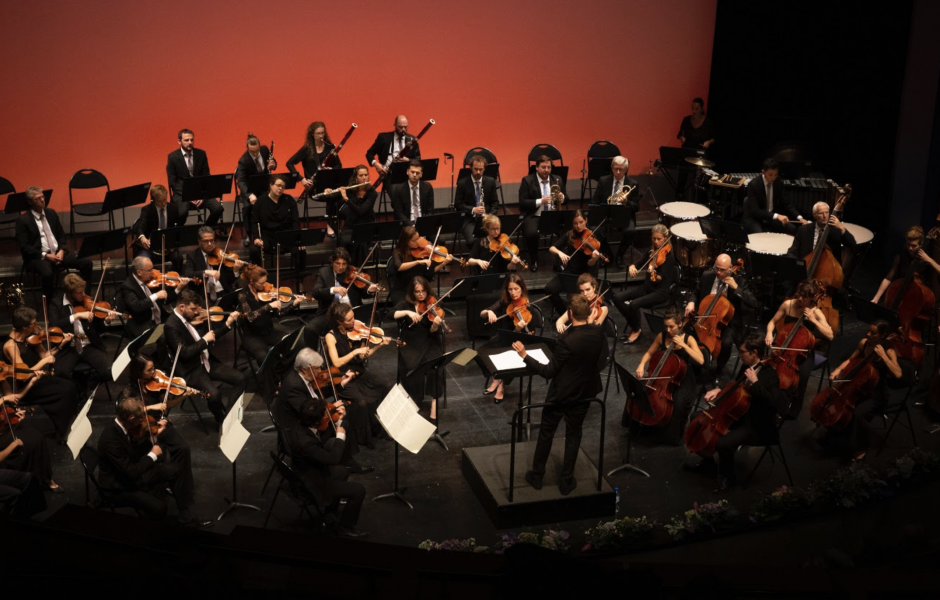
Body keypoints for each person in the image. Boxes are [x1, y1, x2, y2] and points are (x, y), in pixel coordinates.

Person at [512, 294, 607, 495]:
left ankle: (537, 476)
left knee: (547, 431)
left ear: (570, 313)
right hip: (585, 392)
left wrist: (524, 356)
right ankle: (566, 481)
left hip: (561, 394)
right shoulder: (599, 333)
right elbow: (601, 361)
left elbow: (548, 372)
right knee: (574, 434)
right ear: (589, 312)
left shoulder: (566, 340)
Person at [96, 396, 211, 527]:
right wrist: (152, 455)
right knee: (160, 508)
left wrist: (154, 435)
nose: (143, 421)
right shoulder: (110, 439)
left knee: (177, 469)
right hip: (119, 487)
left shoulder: (124, 427)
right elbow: (132, 472)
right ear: (132, 419)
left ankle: (185, 516)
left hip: (130, 472)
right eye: (141, 418)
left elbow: (132, 453)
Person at [707, 334, 790, 492]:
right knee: (703, 419)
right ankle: (708, 463)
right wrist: (719, 390)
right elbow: (736, 386)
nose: (739, 355)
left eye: (742, 352)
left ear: (754, 352)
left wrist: (755, 383)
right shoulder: (746, 367)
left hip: (758, 425)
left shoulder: (770, 375)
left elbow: (773, 404)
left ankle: (729, 479)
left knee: (722, 443)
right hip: (741, 415)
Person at [276, 349, 371, 474]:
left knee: (343, 421)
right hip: (298, 430)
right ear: (305, 369)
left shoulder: (302, 377)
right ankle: (344, 462)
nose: (320, 371)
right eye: (316, 368)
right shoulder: (294, 386)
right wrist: (330, 408)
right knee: (342, 424)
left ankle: (346, 459)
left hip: (307, 417)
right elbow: (308, 413)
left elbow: (316, 395)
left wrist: (341, 383)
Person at [825, 320, 906, 461]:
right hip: (860, 388)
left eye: (873, 333)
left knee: (858, 413)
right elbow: (850, 360)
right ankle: (839, 436)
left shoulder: (889, 350)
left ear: (882, 335)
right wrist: (837, 370)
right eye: (869, 331)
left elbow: (898, 374)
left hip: (877, 395)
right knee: (843, 405)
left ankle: (861, 447)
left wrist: (884, 357)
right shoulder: (864, 343)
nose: (868, 334)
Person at [288, 397, 368, 537]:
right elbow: (333, 458)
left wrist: (338, 420)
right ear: (316, 422)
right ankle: (346, 527)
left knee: (343, 470)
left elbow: (323, 435)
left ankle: (330, 514)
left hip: (311, 469)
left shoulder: (302, 424)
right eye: (325, 416)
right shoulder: (306, 443)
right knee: (359, 490)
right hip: (312, 484)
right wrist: (340, 437)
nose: (328, 416)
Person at [163, 289, 246, 423]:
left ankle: (230, 415)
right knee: (214, 395)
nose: (197, 312)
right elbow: (185, 353)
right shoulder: (171, 326)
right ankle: (221, 420)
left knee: (240, 378)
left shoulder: (189, 318)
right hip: (192, 370)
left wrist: (227, 324)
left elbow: (210, 336)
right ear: (182, 307)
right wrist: (204, 340)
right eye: (193, 309)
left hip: (206, 362)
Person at [126, 353, 195, 503]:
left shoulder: (154, 384)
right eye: (149, 370)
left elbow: (167, 405)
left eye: (153, 368)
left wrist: (183, 396)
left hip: (159, 422)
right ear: (139, 372)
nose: (154, 373)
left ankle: (182, 485)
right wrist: (152, 406)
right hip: (143, 428)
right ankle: (169, 482)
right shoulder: (130, 390)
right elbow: (128, 411)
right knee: (159, 450)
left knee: (183, 448)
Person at [3, 307, 79, 438]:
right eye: (33, 324)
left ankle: (65, 424)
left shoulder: (30, 337)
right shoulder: (11, 346)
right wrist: (44, 363)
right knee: (65, 391)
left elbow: (44, 355)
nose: (37, 326)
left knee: (70, 385)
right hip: (24, 385)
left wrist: (61, 345)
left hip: (37, 377)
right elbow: (23, 374)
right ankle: (62, 430)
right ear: (24, 327)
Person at [323, 302, 392, 446]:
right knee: (362, 402)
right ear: (339, 321)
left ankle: (381, 427)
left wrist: (379, 345)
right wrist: (355, 351)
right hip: (344, 377)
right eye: (349, 320)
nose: (353, 322)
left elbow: (363, 357)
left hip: (359, 372)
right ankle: (365, 437)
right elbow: (336, 362)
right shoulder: (331, 336)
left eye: (353, 317)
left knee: (386, 385)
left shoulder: (357, 331)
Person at [635, 307, 705, 445]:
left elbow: (701, 360)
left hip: (682, 377)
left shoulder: (688, 338)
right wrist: (641, 365)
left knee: (677, 404)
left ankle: (672, 437)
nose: (668, 330)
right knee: (640, 392)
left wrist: (683, 345)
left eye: (671, 327)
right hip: (662, 374)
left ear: (680, 324)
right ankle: (644, 426)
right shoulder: (661, 336)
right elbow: (649, 353)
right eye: (666, 326)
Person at [684, 254, 760, 379]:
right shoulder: (707, 276)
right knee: (690, 333)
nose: (718, 272)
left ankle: (719, 368)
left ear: (730, 268)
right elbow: (695, 293)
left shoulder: (739, 281)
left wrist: (736, 288)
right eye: (716, 268)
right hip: (705, 317)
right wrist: (691, 302)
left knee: (726, 342)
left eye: (722, 270)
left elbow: (754, 302)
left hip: (728, 322)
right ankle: (695, 364)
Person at [764, 279, 834, 413]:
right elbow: (772, 322)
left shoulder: (816, 312)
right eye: (799, 294)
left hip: (803, 352)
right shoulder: (788, 305)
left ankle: (793, 409)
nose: (800, 298)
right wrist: (768, 333)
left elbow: (830, 335)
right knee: (771, 368)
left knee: (802, 375)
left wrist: (813, 320)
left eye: (804, 297)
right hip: (785, 346)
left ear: (812, 298)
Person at [15, 186, 93, 300]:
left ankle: (84, 297)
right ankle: (50, 304)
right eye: (38, 199)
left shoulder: (51, 213)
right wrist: (45, 255)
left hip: (58, 253)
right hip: (38, 257)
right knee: (47, 273)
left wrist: (61, 250)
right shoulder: (23, 220)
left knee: (87, 263)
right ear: (30, 202)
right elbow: (24, 247)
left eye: (42, 197)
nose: (42, 200)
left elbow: (61, 235)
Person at [480, 274, 542, 404]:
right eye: (510, 289)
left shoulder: (528, 306)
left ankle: (501, 386)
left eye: (516, 289)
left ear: (522, 288)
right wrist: (489, 312)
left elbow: (529, 334)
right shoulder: (504, 301)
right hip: (504, 335)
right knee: (480, 352)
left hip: (519, 339)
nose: (513, 293)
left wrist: (518, 330)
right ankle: (496, 378)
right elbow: (482, 313)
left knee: (511, 355)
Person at [612, 224, 677, 345]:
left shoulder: (669, 256)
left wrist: (653, 273)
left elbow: (659, 279)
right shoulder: (652, 250)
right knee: (617, 298)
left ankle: (636, 329)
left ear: (665, 238)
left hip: (660, 292)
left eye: (659, 239)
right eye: (654, 239)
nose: (656, 242)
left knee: (634, 304)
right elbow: (638, 263)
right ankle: (634, 324)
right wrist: (632, 267)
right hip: (646, 288)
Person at [393, 277, 446, 425]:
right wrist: (407, 313)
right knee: (411, 368)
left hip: (429, 340)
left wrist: (435, 326)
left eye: (423, 291)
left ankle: (434, 403)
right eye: (417, 292)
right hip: (411, 342)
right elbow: (392, 314)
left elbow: (433, 331)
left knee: (436, 366)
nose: (421, 295)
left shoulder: (433, 303)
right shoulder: (406, 304)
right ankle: (415, 399)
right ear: (412, 292)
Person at [235, 264, 301, 379]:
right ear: (251, 281)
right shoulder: (243, 295)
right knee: (263, 356)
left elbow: (279, 314)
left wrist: (293, 305)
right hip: (252, 336)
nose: (264, 285)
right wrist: (269, 306)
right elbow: (250, 317)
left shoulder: (267, 293)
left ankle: (284, 374)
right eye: (261, 283)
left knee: (293, 342)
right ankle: (270, 381)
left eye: (265, 282)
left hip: (268, 332)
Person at [48, 273, 114, 387]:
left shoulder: (87, 301)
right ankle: (76, 389)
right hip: (68, 348)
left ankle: (84, 384)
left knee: (109, 372)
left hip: (89, 346)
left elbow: (98, 327)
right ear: (69, 293)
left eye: (83, 291)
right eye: (79, 293)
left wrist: (106, 321)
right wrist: (76, 316)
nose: (83, 294)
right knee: (61, 374)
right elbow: (54, 326)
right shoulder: (56, 304)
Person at [544, 210, 605, 317]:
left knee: (579, 299)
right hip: (571, 271)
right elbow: (552, 248)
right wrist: (560, 253)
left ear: (586, 220)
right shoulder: (570, 234)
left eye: (581, 222)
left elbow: (590, 264)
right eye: (575, 223)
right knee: (549, 288)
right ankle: (564, 314)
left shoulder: (593, 235)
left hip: (587, 274)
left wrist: (594, 259)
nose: (578, 226)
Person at [0, 389, 60, 494]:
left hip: (3, 423)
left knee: (37, 437)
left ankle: (45, 476)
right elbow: (5, 398)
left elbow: (13, 397)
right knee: (27, 442)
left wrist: (12, 415)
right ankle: (24, 479)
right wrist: (3, 399)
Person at [287, 121, 340, 237]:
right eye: (318, 134)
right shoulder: (307, 149)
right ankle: (330, 224)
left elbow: (339, 166)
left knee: (339, 194)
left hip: (329, 184)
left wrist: (332, 169)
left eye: (323, 133)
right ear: (312, 135)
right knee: (332, 196)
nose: (321, 136)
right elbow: (289, 163)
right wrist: (301, 179)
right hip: (313, 187)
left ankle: (332, 224)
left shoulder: (330, 147)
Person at [518, 155, 569, 271]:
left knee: (567, 233)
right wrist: (541, 201)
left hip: (553, 215)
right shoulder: (527, 180)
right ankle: (534, 260)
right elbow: (522, 202)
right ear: (536, 167)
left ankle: (560, 261)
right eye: (543, 167)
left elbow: (567, 199)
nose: (546, 170)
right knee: (531, 233)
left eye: (548, 167)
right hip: (535, 215)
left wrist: (562, 198)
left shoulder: (557, 179)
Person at [165, 128, 223, 226]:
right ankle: (178, 236)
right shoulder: (173, 157)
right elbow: (173, 183)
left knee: (218, 208)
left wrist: (202, 194)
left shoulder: (201, 154)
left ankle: (205, 230)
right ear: (179, 141)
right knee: (182, 213)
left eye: (192, 140)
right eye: (186, 140)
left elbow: (206, 176)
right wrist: (188, 196)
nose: (190, 142)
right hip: (182, 194)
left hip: (201, 193)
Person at [591, 156, 640, 268]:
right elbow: (595, 201)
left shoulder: (633, 184)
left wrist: (626, 202)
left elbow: (637, 207)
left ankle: (620, 254)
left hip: (624, 215)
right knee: (595, 230)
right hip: (606, 215)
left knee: (631, 231)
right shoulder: (603, 181)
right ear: (612, 168)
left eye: (621, 169)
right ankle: (608, 252)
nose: (618, 172)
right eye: (615, 168)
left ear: (626, 169)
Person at [117, 256, 183, 339]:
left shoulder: (151, 281)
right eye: (149, 270)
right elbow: (136, 306)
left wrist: (178, 289)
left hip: (161, 320)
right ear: (139, 272)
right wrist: (155, 296)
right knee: (165, 338)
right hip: (145, 325)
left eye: (152, 269)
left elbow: (165, 301)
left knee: (182, 329)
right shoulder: (127, 286)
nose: (153, 272)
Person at [871, 226, 940, 304]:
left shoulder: (926, 260)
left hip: (917, 300)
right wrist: (876, 298)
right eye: (908, 244)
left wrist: (929, 260)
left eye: (914, 246)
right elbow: (888, 278)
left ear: (921, 244)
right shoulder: (900, 256)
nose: (910, 248)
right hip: (901, 296)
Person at [386, 226, 453, 307]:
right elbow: (399, 266)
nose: (418, 242)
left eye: (418, 238)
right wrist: (418, 262)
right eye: (414, 241)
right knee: (408, 308)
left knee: (437, 304)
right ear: (406, 241)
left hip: (420, 290)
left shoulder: (421, 252)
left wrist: (444, 263)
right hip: (403, 290)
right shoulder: (398, 252)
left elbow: (431, 271)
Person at [249, 175, 305, 271]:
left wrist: (297, 239)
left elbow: (295, 221)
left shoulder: (289, 200)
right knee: (254, 250)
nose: (280, 188)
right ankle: (258, 276)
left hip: (285, 236)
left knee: (301, 250)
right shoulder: (261, 201)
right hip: (267, 237)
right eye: (278, 185)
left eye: (283, 187)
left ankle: (299, 277)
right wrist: (256, 238)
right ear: (271, 185)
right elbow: (254, 222)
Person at [787, 201, 857, 271]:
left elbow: (852, 244)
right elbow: (792, 251)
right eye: (821, 213)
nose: (825, 216)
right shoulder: (803, 230)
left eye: (827, 212)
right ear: (815, 215)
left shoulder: (836, 230)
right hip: (807, 267)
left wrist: (842, 228)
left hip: (829, 270)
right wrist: (797, 266)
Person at [743, 159, 805, 234]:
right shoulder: (753, 185)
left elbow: (786, 203)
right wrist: (776, 216)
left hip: (771, 217)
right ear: (763, 172)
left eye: (775, 175)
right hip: (755, 218)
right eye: (770, 175)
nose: (773, 178)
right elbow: (755, 211)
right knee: (759, 235)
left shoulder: (778, 182)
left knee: (793, 229)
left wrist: (799, 217)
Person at [234, 132, 276, 244]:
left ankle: (267, 231)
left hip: (263, 186)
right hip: (249, 188)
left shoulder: (264, 150)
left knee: (269, 202)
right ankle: (248, 234)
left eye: (257, 150)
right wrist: (249, 194)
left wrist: (273, 165)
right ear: (247, 147)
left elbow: (273, 162)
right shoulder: (243, 160)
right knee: (247, 207)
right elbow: (241, 181)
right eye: (252, 151)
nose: (256, 153)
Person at [330, 165, 377, 263]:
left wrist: (346, 199)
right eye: (361, 175)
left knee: (361, 243)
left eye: (366, 175)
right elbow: (330, 198)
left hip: (366, 226)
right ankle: (342, 267)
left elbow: (361, 211)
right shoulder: (350, 190)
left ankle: (359, 271)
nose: (364, 177)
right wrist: (329, 192)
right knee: (342, 239)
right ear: (356, 177)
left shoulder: (372, 193)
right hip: (351, 225)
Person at [132, 184, 184, 272]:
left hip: (167, 247)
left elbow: (177, 228)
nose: (163, 203)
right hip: (150, 247)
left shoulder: (173, 208)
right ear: (153, 200)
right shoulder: (147, 210)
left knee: (178, 258)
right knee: (143, 262)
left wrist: (174, 243)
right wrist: (142, 237)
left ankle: (173, 280)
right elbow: (140, 225)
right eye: (160, 201)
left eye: (165, 200)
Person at [454, 155, 500, 246]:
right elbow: (458, 204)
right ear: (471, 168)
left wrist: (490, 216)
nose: (478, 172)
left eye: (481, 169)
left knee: (498, 240)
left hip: (487, 218)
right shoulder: (462, 183)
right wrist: (472, 210)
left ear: (484, 169)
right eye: (475, 169)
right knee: (473, 241)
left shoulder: (490, 182)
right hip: (469, 219)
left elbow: (495, 202)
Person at [185, 226, 240, 299]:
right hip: (203, 296)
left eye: (212, 240)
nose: (210, 244)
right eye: (206, 241)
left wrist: (235, 270)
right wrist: (206, 272)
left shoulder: (221, 254)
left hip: (223, 293)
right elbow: (188, 274)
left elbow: (230, 280)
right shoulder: (192, 256)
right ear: (199, 241)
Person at [390, 160, 434, 226]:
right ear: (407, 172)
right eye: (412, 172)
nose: (414, 175)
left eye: (417, 173)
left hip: (423, 222)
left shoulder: (428, 187)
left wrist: (423, 223)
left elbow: (430, 210)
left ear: (421, 174)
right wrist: (411, 225)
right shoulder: (399, 189)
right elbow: (399, 213)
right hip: (407, 223)